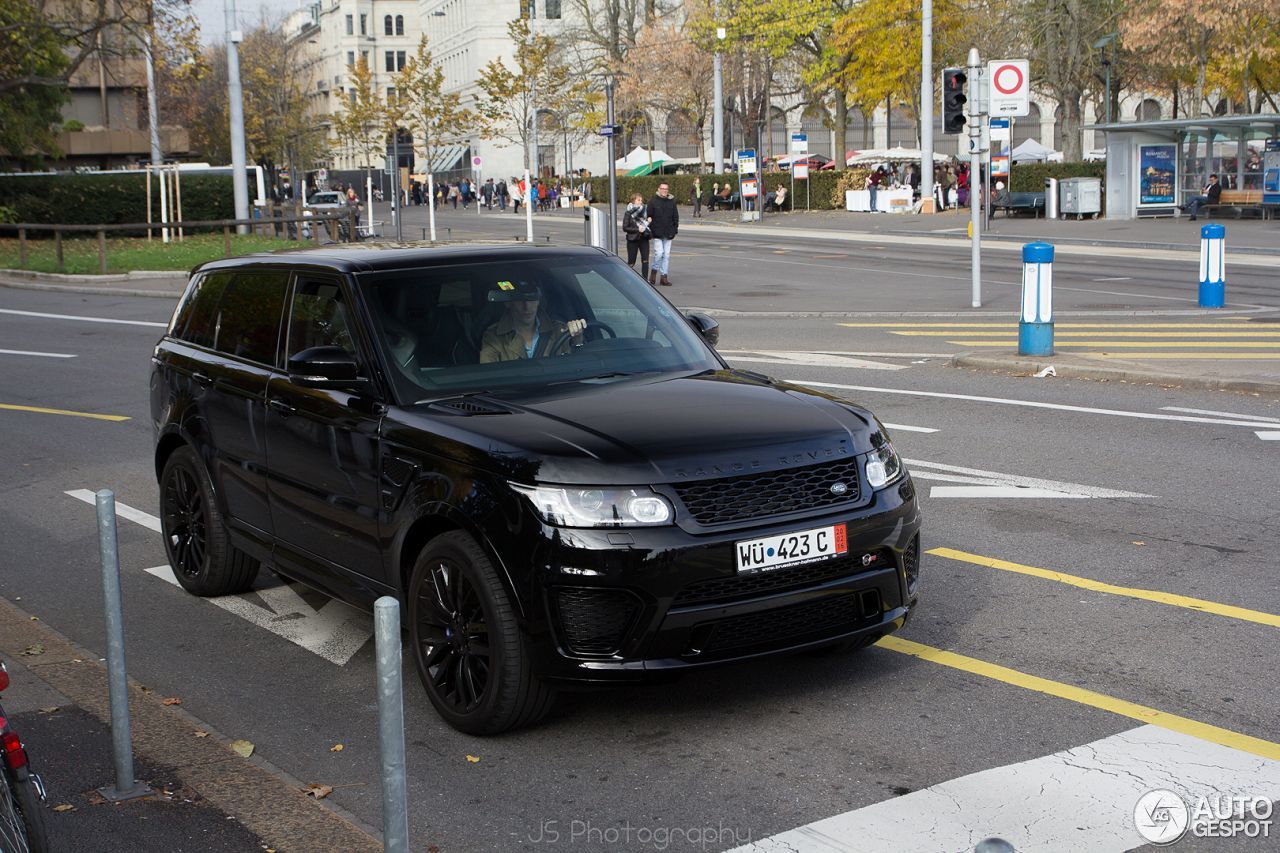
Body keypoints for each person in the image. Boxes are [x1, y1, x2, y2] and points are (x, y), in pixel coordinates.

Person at [479, 281, 585, 363]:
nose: (527, 307)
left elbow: (575, 367)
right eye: (520, 300)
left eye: (532, 298)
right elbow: (488, 374)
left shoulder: (560, 330)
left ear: (538, 301)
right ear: (508, 303)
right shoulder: (493, 337)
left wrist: (577, 339)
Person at [647, 182, 678, 287]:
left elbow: (675, 216)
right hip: (657, 233)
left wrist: (675, 229)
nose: (664, 190)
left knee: (666, 255)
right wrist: (651, 230)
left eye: (666, 189)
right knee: (659, 253)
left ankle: (664, 277)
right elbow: (649, 217)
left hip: (669, 232)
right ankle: (653, 273)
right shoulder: (653, 201)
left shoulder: (672, 202)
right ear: (659, 189)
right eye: (663, 188)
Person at [622, 193, 652, 282]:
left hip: (644, 238)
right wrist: (637, 229)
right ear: (633, 200)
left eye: (641, 200)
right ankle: (627, 279)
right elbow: (625, 227)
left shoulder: (645, 210)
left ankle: (645, 280)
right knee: (631, 262)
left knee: (645, 260)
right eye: (638, 200)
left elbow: (645, 225)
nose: (641, 202)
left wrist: (648, 221)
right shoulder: (628, 212)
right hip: (633, 239)